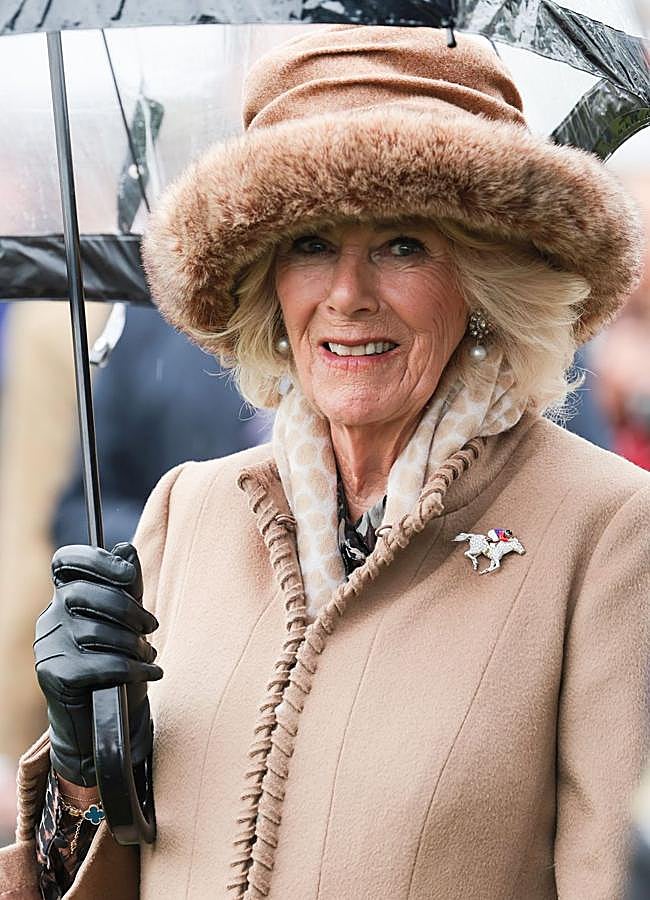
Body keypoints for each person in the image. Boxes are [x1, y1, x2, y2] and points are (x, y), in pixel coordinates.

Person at [0, 25, 648, 900]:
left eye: (403, 244)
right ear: (266, 277)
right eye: (310, 244)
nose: (347, 294)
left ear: (488, 277)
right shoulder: (185, 513)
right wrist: (83, 766)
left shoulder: (606, 534)